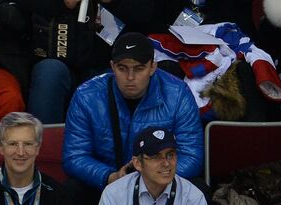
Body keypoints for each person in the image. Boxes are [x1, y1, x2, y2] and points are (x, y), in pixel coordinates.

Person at [62, 33, 202, 195]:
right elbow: (75, 156)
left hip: (161, 183)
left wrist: (150, 179)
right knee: (71, 189)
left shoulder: (178, 94)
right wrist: (110, 177)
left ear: (153, 67)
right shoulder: (86, 96)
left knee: (198, 188)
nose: (130, 77)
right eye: (122, 68)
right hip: (107, 184)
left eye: (139, 68)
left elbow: (192, 156)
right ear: (112, 67)